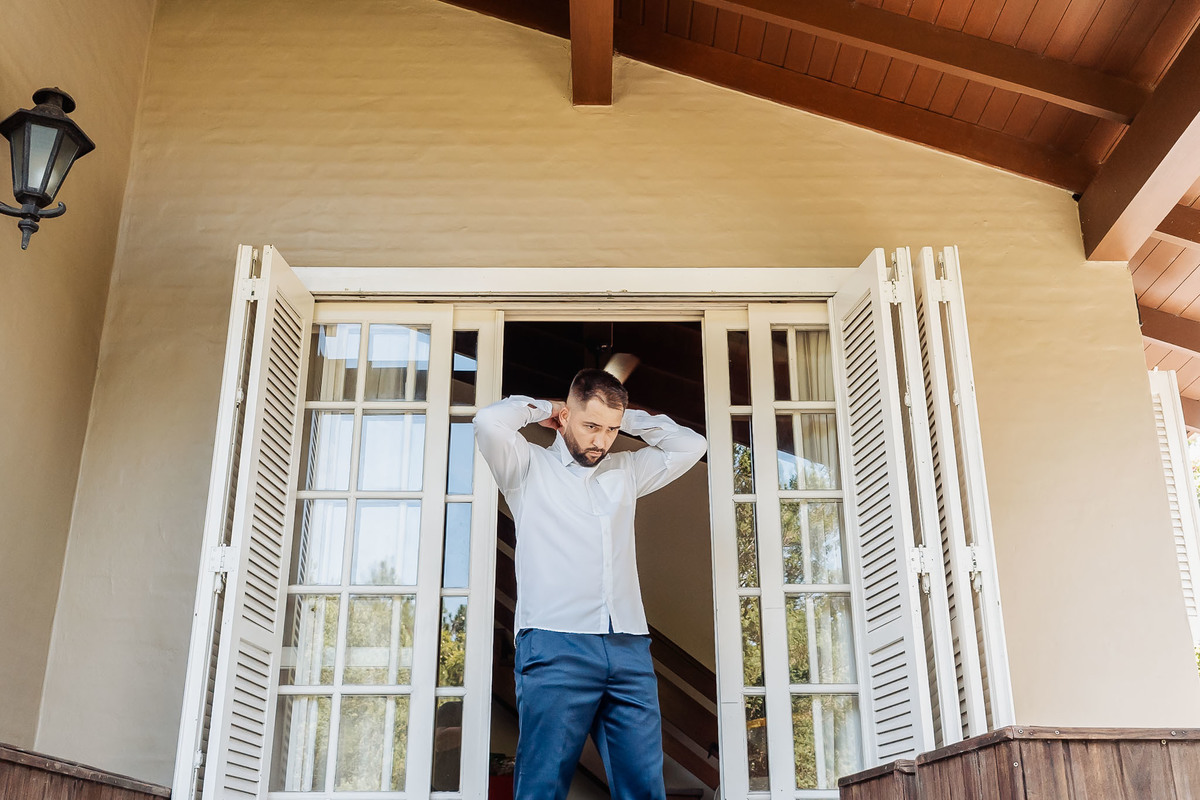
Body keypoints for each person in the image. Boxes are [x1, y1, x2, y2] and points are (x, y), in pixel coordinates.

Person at [473, 368, 707, 800]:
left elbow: (692, 444)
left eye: (611, 430)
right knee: (542, 788)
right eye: (591, 426)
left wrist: (628, 418)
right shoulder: (526, 467)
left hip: (629, 648)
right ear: (567, 418)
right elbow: (489, 422)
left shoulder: (627, 470)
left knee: (644, 789)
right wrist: (547, 407)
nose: (601, 441)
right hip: (554, 644)